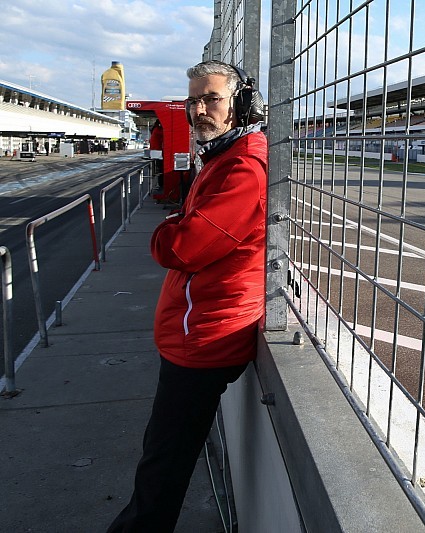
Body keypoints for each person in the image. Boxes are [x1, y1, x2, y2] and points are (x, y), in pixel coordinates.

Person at [107, 60, 268, 532]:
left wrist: (165, 231)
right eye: (192, 100)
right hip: (196, 330)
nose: (199, 109)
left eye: (211, 98)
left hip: (205, 339)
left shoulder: (244, 166)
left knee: (161, 469)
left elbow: (182, 245)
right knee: (162, 461)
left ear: (240, 104)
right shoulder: (221, 157)